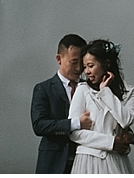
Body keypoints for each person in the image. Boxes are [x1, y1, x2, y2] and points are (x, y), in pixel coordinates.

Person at [68, 39, 134, 174]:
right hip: (88, 162)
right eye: (85, 67)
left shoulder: (131, 92)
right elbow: (74, 132)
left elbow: (125, 120)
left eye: (91, 65)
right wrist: (111, 142)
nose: (87, 72)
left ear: (106, 64)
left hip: (116, 161)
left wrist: (105, 91)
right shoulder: (83, 90)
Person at [31, 34, 91, 173]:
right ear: (59, 59)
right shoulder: (43, 89)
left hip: (86, 162)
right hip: (53, 163)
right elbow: (39, 125)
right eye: (73, 62)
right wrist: (76, 123)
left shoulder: (90, 88)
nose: (78, 69)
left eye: (81, 63)